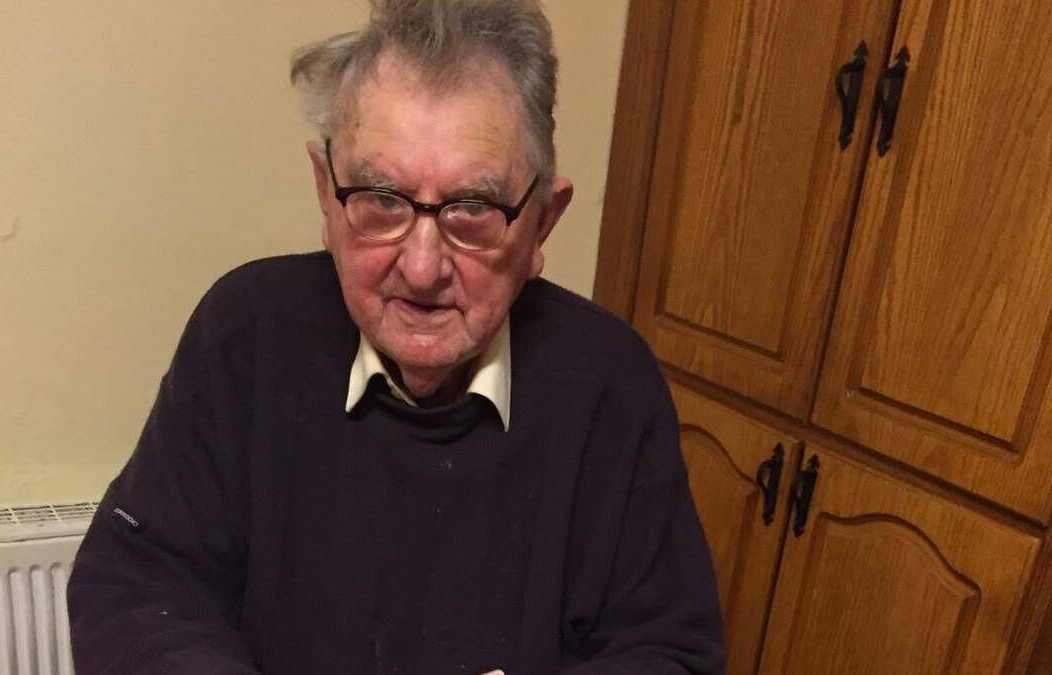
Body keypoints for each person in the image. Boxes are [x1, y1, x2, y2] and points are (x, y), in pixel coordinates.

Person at [67, 1, 724, 673]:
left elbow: (672, 652)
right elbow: (134, 583)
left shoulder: (611, 385)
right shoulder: (244, 333)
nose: (422, 267)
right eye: (383, 200)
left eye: (473, 208)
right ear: (326, 194)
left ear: (541, 224)